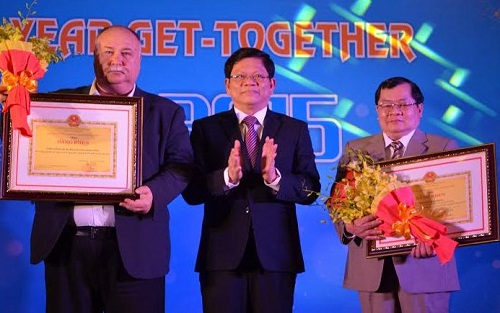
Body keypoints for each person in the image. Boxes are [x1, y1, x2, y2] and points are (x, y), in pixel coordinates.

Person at [29, 25, 193, 313]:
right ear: (94, 57)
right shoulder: (54, 105)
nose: (117, 59)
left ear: (139, 60)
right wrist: (13, 106)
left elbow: (181, 167)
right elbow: (22, 146)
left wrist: (153, 194)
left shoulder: (166, 112)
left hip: (136, 250)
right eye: (108, 52)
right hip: (66, 248)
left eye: (126, 53)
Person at [181, 47, 320, 313]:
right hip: (221, 255)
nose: (249, 82)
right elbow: (191, 191)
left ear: (272, 84)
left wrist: (275, 178)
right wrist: (227, 178)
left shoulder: (294, 129)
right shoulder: (206, 128)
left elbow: (311, 190)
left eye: (258, 76)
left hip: (277, 255)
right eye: (240, 76)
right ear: (227, 85)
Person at [332, 76, 460, 313]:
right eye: (386, 105)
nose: (394, 111)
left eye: (403, 104)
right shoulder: (356, 150)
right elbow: (338, 205)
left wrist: (433, 238)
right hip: (372, 270)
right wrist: (351, 227)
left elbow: (456, 209)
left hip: (425, 266)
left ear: (419, 109)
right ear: (377, 110)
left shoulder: (442, 147)